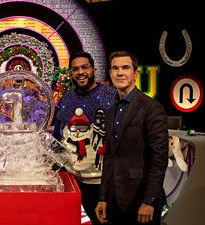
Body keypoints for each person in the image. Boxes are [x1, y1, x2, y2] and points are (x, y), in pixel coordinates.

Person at [95, 50, 169, 225]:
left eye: (125, 67)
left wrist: (149, 200)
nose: (120, 72)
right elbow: (110, 157)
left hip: (142, 202)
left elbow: (159, 158)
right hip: (114, 202)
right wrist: (103, 196)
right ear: (110, 73)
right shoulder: (111, 111)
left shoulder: (152, 108)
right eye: (115, 68)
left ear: (135, 73)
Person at [52, 50, 116, 225]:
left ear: (94, 69)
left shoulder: (110, 96)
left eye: (84, 67)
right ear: (70, 73)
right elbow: (58, 135)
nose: (80, 72)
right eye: (75, 69)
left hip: (103, 182)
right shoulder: (67, 98)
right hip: (74, 180)